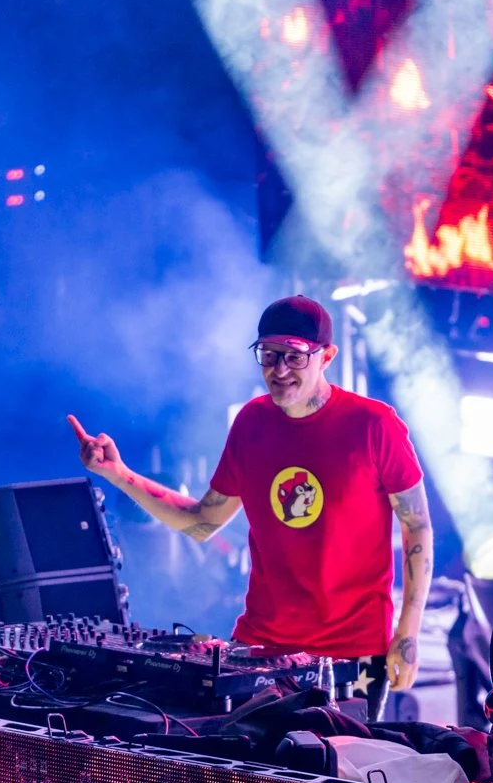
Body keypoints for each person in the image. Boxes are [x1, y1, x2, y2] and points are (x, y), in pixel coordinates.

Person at [66, 295, 432, 692]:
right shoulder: (252, 422)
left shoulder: (374, 425)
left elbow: (417, 526)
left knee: (344, 737)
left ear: (326, 357)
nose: (279, 369)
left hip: (354, 657)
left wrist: (408, 632)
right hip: (261, 649)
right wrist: (118, 474)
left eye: (294, 356)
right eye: (269, 355)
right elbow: (202, 522)